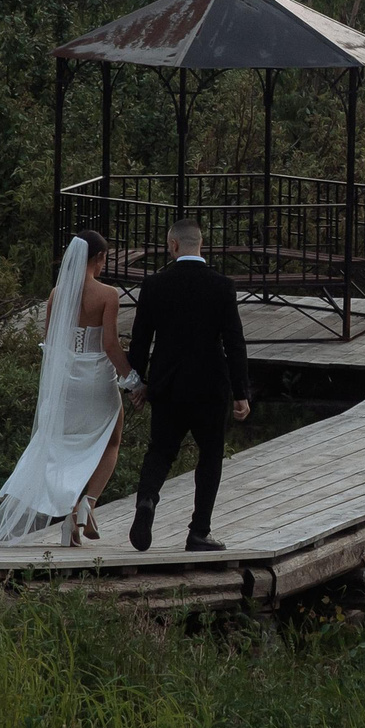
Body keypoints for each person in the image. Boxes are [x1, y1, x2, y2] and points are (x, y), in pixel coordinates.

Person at [0, 228, 137, 546]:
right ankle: (87, 503)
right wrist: (132, 380)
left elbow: (51, 344)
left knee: (62, 447)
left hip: (66, 379)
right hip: (96, 377)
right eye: (104, 259)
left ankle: (71, 526)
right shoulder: (108, 295)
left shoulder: (57, 294)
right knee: (111, 441)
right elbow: (110, 344)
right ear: (99, 257)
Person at [126, 216, 250, 552]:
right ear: (201, 244)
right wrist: (241, 392)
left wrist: (136, 384)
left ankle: (147, 500)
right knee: (210, 455)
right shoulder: (222, 285)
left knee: (160, 450)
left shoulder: (154, 285)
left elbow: (140, 342)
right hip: (210, 386)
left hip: (167, 384)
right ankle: (198, 532)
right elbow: (234, 341)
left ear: (173, 245)